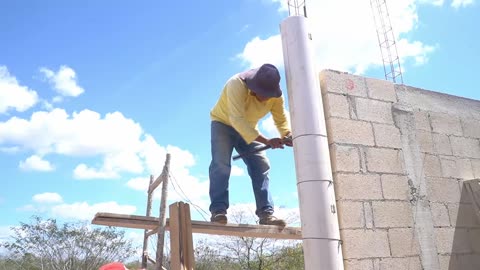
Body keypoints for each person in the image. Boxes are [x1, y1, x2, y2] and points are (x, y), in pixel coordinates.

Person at [209, 63, 292, 226]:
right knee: (221, 165)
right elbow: (237, 120)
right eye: (262, 94)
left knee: (261, 166)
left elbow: (281, 119)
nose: (264, 98)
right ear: (254, 86)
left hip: (249, 126)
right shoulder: (236, 84)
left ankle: (266, 214)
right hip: (223, 123)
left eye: (268, 95)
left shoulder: (276, 96)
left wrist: (286, 135)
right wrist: (267, 141)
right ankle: (218, 211)